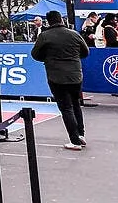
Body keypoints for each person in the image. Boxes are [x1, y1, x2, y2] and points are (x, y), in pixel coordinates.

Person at [31, 10, 89, 150]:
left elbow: (35, 54)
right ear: (61, 20)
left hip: (56, 75)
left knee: (66, 108)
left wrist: (47, 58)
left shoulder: (45, 36)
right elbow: (85, 52)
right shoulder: (74, 34)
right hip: (75, 74)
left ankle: (74, 140)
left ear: (48, 21)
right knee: (75, 105)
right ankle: (80, 135)